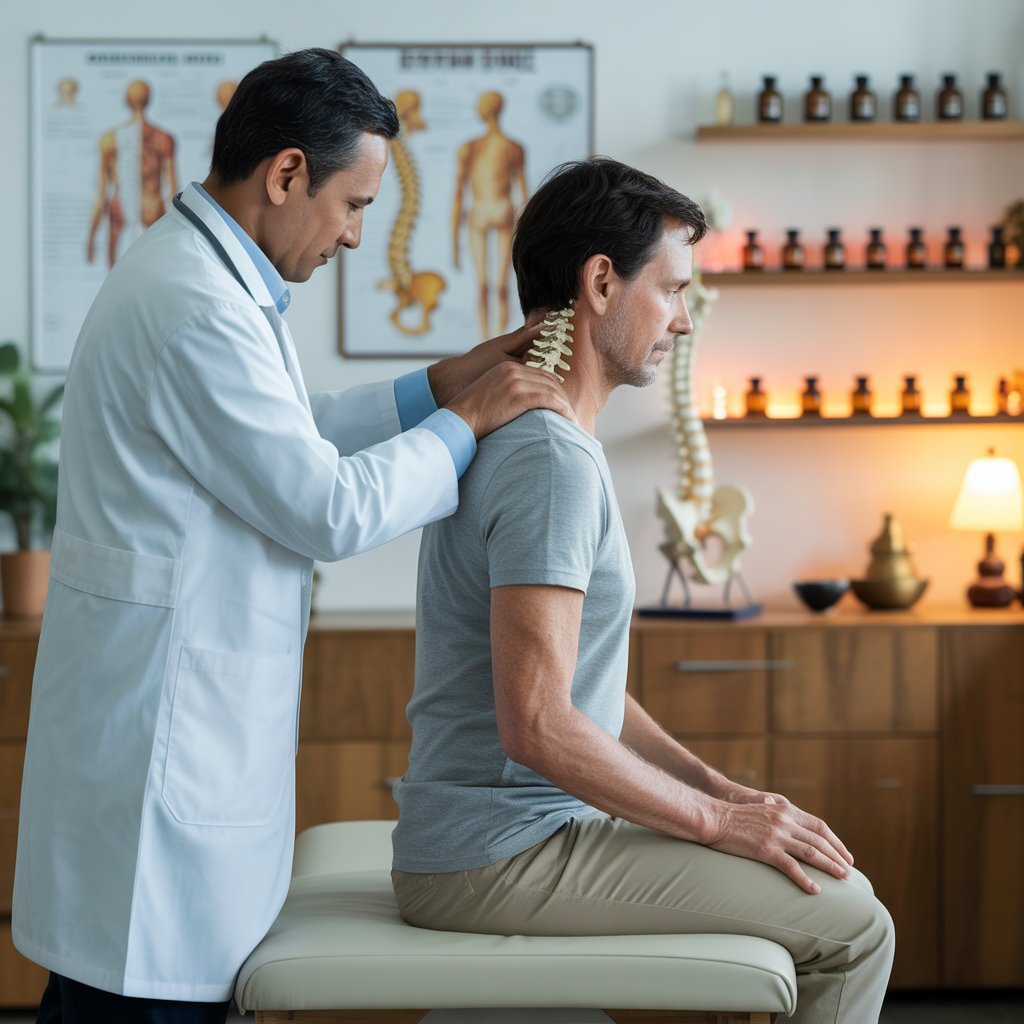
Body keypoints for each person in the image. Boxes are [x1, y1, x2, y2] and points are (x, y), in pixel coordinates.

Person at [14, 48, 571, 1024]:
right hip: (158, 761)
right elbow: (326, 507)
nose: (357, 236)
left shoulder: (205, 279)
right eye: (353, 204)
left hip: (166, 731)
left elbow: (292, 429)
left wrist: (442, 384)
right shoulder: (194, 307)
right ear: (284, 174)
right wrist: (468, 422)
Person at [391, 157, 895, 1024]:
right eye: (672, 292)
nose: (684, 322)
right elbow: (540, 725)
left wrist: (725, 792)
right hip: (497, 856)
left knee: (820, 880)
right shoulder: (548, 459)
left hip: (497, 841)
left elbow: (582, 690)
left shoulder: (530, 435)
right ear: (599, 283)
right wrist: (714, 823)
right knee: (856, 925)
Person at [451, 91, 527, 341]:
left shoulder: (471, 148)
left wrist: (455, 243)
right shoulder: (512, 147)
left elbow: (458, 195)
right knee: (498, 288)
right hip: (501, 209)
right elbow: (524, 198)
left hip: (482, 211)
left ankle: (487, 344)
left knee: (486, 288)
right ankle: (494, 344)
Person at [85, 79, 179, 268]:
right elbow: (173, 193)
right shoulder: (164, 139)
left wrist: (91, 237)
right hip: (153, 211)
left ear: (126, 100)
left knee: (118, 281)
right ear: (148, 100)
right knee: (154, 277)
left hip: (121, 215)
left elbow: (101, 196)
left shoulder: (109, 140)